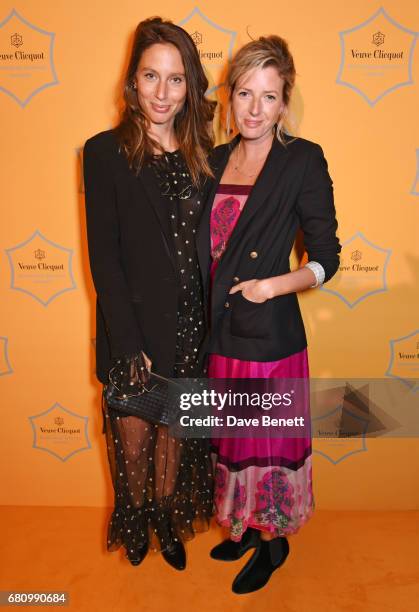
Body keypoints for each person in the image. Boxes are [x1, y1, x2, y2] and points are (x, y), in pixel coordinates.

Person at [196, 35, 341, 593]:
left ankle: (273, 540)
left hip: (270, 337)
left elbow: (327, 260)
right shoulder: (209, 159)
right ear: (229, 98)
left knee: (268, 443)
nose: (255, 109)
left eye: (270, 96)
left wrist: (273, 286)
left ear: (285, 102)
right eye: (244, 94)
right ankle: (241, 527)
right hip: (220, 333)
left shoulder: (302, 160)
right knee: (232, 440)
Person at [83, 17, 216, 569]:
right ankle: (135, 519)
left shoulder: (205, 156)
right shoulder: (104, 151)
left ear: (191, 88)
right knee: (134, 443)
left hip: (195, 327)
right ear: (132, 81)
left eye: (176, 79)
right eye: (151, 76)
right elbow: (105, 259)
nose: (163, 93)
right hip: (132, 332)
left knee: (176, 438)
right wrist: (128, 342)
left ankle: (165, 519)